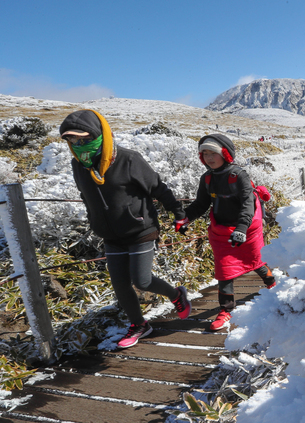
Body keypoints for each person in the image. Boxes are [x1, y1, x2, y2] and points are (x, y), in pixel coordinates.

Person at [59, 109, 192, 348]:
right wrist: (95, 219)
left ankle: (176, 295)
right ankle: (140, 324)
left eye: (85, 139)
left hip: (141, 230)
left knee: (141, 281)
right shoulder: (78, 165)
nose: (79, 144)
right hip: (110, 234)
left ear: (100, 134)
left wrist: (179, 214)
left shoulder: (128, 159)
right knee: (120, 284)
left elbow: (159, 189)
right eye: (73, 140)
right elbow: (85, 194)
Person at [177, 134, 275, 331]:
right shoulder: (206, 178)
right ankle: (226, 309)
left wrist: (241, 228)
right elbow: (201, 204)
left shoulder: (239, 175)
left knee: (255, 260)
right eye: (205, 154)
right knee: (224, 269)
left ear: (226, 154)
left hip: (248, 227)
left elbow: (248, 204)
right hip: (220, 230)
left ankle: (272, 283)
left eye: (213, 153)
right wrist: (185, 217)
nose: (209, 158)